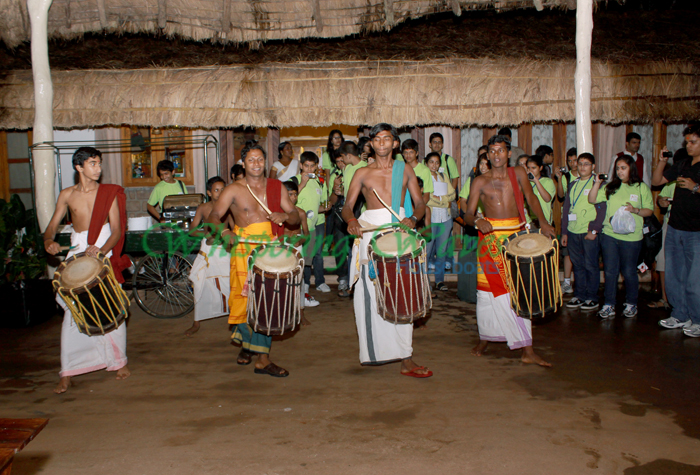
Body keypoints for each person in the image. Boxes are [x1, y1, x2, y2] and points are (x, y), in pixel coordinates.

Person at [342, 123, 432, 378]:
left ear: (395, 143)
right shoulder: (362, 173)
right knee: (371, 293)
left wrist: (413, 218)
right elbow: (347, 206)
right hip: (370, 234)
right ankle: (374, 351)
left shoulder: (405, 170)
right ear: (371, 143)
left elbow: (420, 204)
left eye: (387, 139)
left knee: (402, 291)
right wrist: (351, 221)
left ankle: (406, 357)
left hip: (399, 233)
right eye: (377, 139)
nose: (382, 143)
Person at [206, 144, 300, 377]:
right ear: (243, 163)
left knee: (264, 302)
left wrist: (285, 215)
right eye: (251, 160)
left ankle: (261, 358)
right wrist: (224, 231)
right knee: (243, 301)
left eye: (260, 159)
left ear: (265, 162)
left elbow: (295, 216)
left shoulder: (276, 187)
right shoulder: (233, 189)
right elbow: (214, 215)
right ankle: (252, 348)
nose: (256, 164)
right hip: (243, 250)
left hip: (269, 250)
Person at [43, 147, 130, 393]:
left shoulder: (108, 193)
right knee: (73, 313)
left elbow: (117, 231)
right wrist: (48, 240)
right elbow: (52, 226)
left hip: (103, 251)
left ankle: (119, 361)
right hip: (77, 252)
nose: (98, 168)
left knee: (110, 305)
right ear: (78, 167)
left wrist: (101, 251)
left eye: (99, 163)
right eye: (93, 163)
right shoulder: (67, 195)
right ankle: (68, 370)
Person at [463, 135, 555, 367]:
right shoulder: (480, 181)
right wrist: (477, 222)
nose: (497, 155)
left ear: (509, 153)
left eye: (501, 150)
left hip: (515, 239)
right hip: (489, 240)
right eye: (492, 151)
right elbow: (468, 214)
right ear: (487, 155)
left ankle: (527, 349)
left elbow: (531, 199)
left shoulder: (519, 173)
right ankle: (485, 338)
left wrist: (544, 223)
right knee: (486, 294)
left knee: (518, 291)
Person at [589, 155, 653, 319]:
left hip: (632, 237)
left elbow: (649, 211)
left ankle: (631, 303)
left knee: (629, 271)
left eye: (623, 168)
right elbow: (592, 199)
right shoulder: (611, 187)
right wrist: (597, 183)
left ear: (631, 168)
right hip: (610, 235)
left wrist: (635, 210)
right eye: (617, 168)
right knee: (610, 271)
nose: (619, 171)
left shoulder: (641, 187)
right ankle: (609, 304)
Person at [652, 125, 700, 337]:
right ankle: (680, 314)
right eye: (687, 142)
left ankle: (697, 319)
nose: (688, 146)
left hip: (696, 231)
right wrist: (662, 161)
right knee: (674, 276)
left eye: (693, 142)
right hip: (675, 227)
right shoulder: (683, 164)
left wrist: (695, 187)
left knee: (694, 280)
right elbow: (656, 181)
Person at [184, 176, 235, 337]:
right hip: (208, 247)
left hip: (224, 249)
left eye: (223, 189)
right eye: (216, 190)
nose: (220, 193)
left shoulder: (229, 208)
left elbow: (234, 228)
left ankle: (236, 317)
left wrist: (228, 237)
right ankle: (196, 322)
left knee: (229, 281)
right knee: (200, 282)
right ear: (209, 192)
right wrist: (205, 235)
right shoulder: (203, 208)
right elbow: (192, 230)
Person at [561, 153, 606, 312]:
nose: (582, 167)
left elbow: (602, 209)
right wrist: (564, 232)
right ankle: (579, 295)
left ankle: (592, 297)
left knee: (591, 265)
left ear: (593, 166)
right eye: (580, 164)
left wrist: (594, 230)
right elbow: (567, 208)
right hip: (573, 230)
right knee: (578, 265)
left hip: (588, 231)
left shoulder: (598, 183)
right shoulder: (573, 184)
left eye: (586, 164)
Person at [294, 151, 331, 293]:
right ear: (301, 165)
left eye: (312, 166)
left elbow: (319, 205)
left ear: (316, 166)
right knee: (304, 255)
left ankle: (320, 282)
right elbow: (288, 199)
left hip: (317, 222)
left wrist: (325, 207)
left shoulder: (320, 182)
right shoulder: (295, 180)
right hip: (300, 225)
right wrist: (303, 183)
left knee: (317, 253)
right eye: (306, 166)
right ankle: (305, 283)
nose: (309, 169)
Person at [457, 153, 490, 304]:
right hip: (472, 225)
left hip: (489, 226)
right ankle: (468, 293)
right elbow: (463, 200)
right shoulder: (472, 180)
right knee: (468, 258)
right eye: (481, 163)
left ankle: (486, 293)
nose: (483, 167)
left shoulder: (496, 181)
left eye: (486, 163)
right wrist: (469, 215)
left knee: (486, 260)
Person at [283, 180, 317, 319]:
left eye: (295, 194)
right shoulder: (278, 213)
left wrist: (300, 241)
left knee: (299, 278)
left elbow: (306, 234)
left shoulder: (301, 212)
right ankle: (284, 311)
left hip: (297, 247)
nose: (293, 197)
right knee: (283, 279)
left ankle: (300, 311)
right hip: (282, 247)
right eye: (290, 194)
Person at [425, 152, 456, 292]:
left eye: (437, 162)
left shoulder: (443, 176)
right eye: (431, 162)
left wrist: (442, 199)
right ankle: (425, 282)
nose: (434, 165)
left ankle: (439, 280)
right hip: (431, 219)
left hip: (445, 218)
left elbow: (452, 194)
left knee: (442, 251)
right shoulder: (425, 177)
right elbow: (427, 199)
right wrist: (444, 201)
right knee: (427, 251)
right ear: (426, 163)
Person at [648, 179, 676, 309]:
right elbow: (661, 196)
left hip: (691, 225)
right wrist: (661, 201)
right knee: (663, 260)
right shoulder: (674, 181)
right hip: (670, 221)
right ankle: (665, 299)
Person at [554, 147, 578, 294]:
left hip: (584, 218)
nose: (572, 163)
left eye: (575, 160)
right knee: (567, 250)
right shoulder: (566, 177)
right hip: (568, 216)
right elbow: (560, 196)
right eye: (570, 161)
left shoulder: (590, 177)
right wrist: (559, 179)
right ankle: (567, 281)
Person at [327, 152, 350, 295]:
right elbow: (331, 201)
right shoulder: (335, 177)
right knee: (340, 248)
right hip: (339, 217)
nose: (341, 164)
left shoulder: (356, 172)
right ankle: (342, 279)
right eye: (338, 162)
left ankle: (355, 280)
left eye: (343, 160)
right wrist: (336, 190)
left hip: (356, 216)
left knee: (354, 250)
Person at [526, 155, 556, 226]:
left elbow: (547, 199)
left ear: (540, 168)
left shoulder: (548, 181)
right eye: (528, 168)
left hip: (543, 220)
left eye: (534, 168)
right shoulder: (525, 183)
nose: (531, 171)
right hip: (528, 221)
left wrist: (536, 181)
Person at [401, 139, 432, 204]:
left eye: (411, 152)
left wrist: (418, 208)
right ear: (402, 154)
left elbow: (426, 195)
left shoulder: (424, 170)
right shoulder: (400, 169)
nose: (408, 155)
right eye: (406, 152)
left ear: (417, 153)